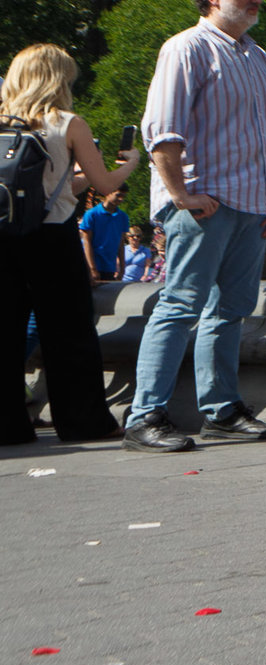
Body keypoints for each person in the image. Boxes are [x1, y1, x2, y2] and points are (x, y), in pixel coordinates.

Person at [129, 0, 266, 452]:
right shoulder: (186, 48)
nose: (256, 0)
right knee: (180, 306)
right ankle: (145, 417)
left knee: (231, 311)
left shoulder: (257, 56)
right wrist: (180, 196)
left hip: (253, 204)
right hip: (205, 204)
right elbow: (162, 130)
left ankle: (221, 410)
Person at [1, 44, 145, 446]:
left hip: (3, 236)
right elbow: (103, 185)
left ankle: (8, 426)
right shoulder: (67, 123)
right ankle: (84, 422)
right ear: (57, 79)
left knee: (5, 332)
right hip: (51, 237)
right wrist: (131, 161)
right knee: (69, 334)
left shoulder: (1, 121)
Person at [80, 186, 131, 286]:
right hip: (93, 264)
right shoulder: (92, 214)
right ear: (108, 193)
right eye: (118, 195)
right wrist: (92, 268)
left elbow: (121, 243)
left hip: (109, 266)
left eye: (123, 196)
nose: (121, 199)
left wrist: (122, 268)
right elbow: (87, 242)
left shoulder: (123, 216)